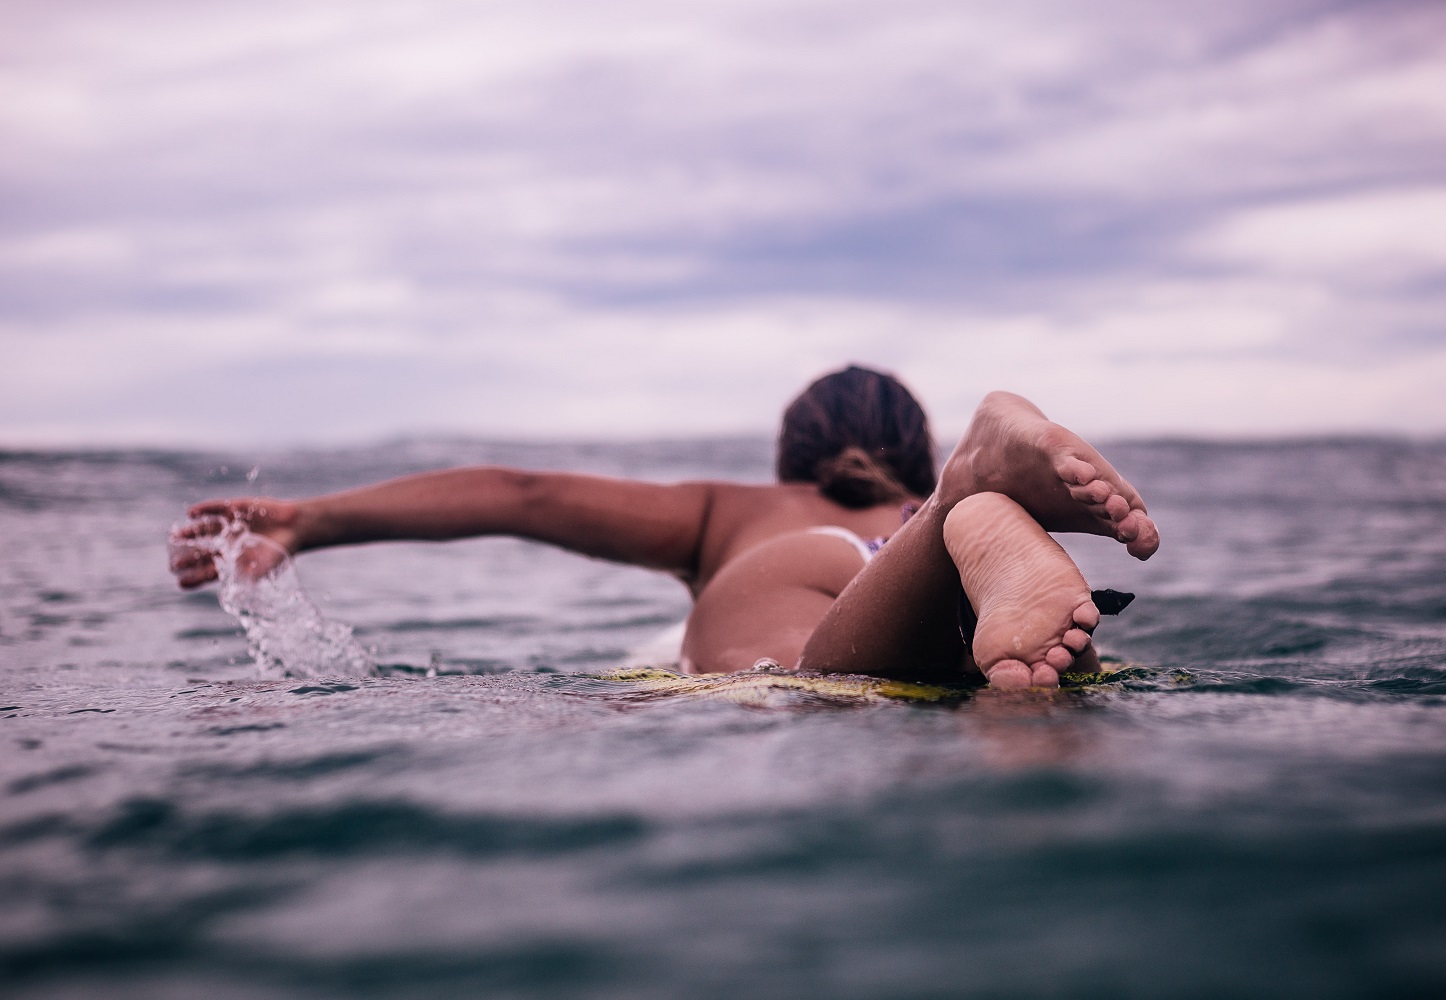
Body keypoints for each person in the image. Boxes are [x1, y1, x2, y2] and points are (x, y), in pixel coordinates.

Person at [169, 366, 1159, 689]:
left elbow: (523, 494)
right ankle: (965, 515)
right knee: (1002, 699)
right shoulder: (878, 522)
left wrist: (312, 518)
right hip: (906, 567)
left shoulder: (735, 515)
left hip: (797, 586)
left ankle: (969, 506)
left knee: (802, 690)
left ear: (793, 455)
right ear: (909, 449)